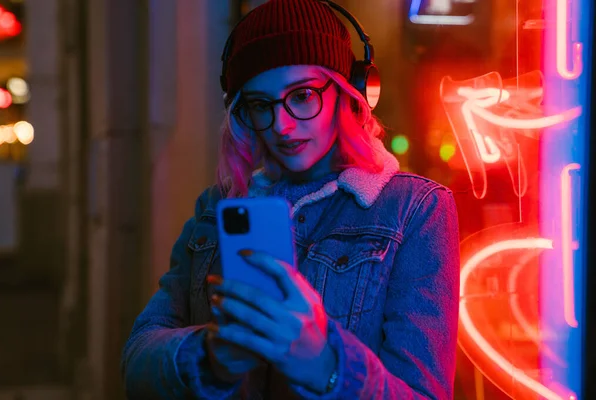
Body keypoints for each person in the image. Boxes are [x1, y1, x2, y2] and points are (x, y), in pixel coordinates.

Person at [121, 0, 460, 398]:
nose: (282, 125)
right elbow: (137, 363)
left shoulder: (415, 211)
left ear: (348, 92)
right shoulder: (219, 209)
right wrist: (209, 355)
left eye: (301, 96)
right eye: (261, 105)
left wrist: (325, 365)